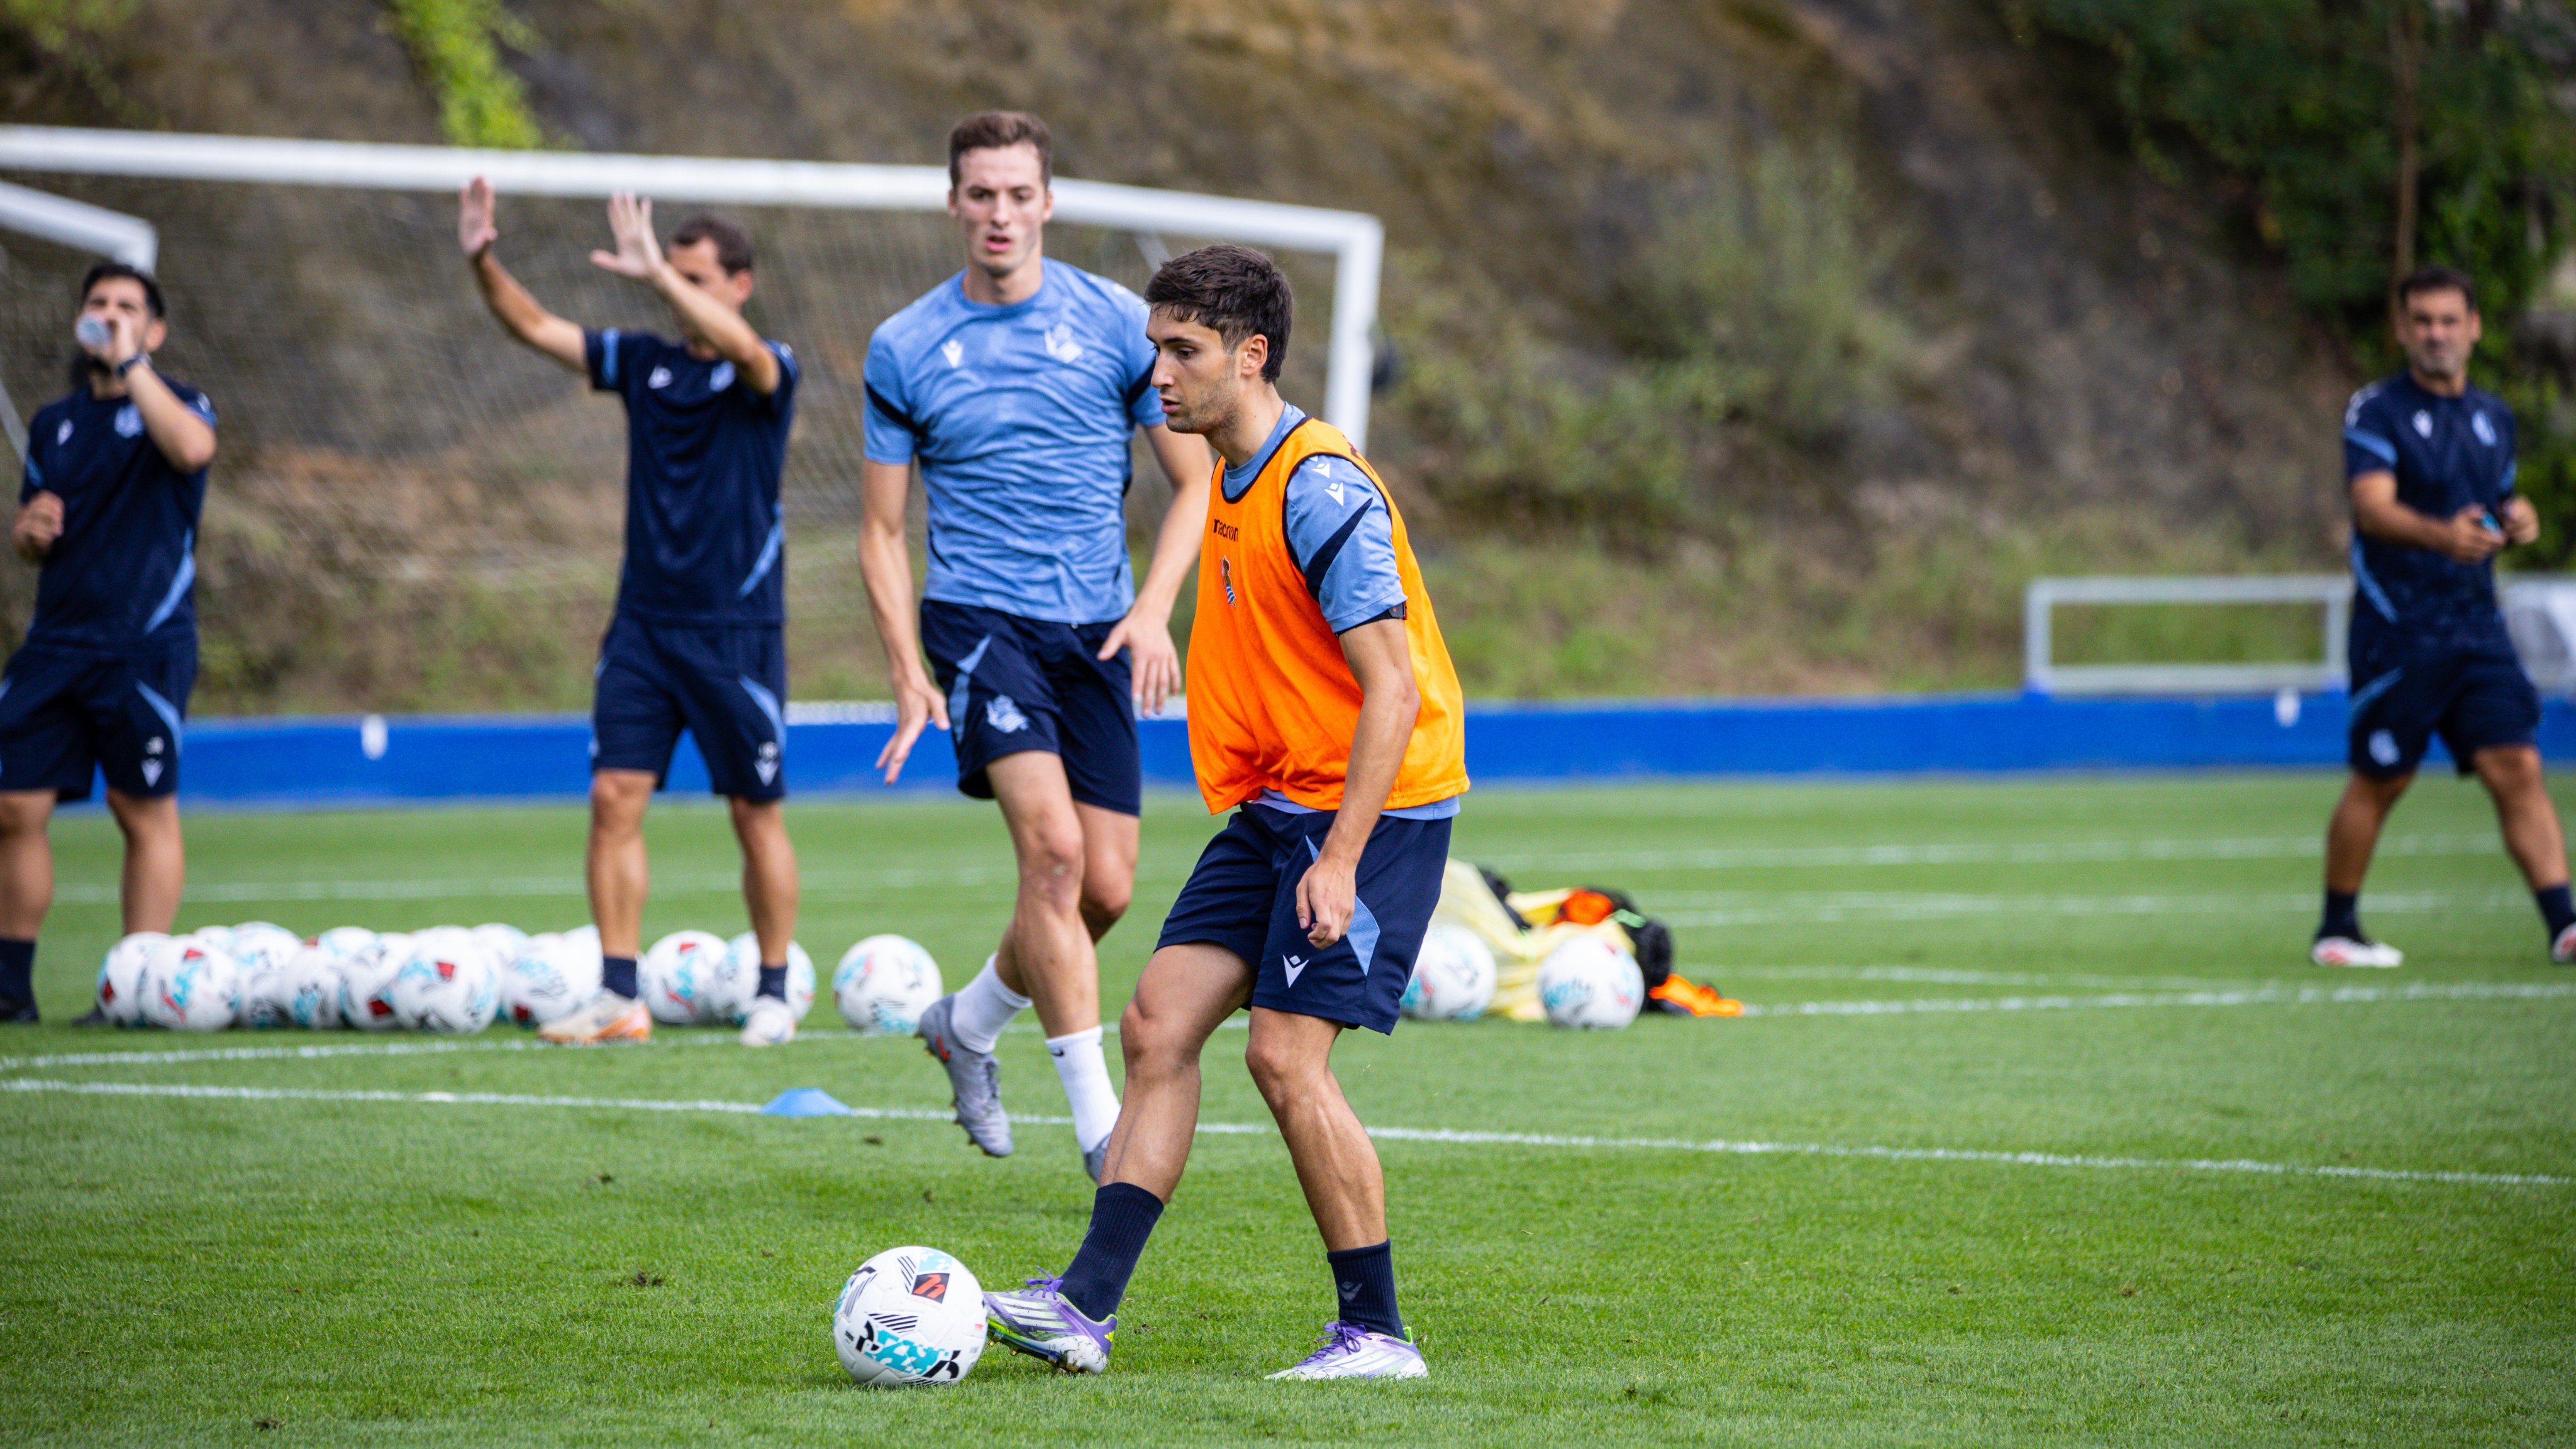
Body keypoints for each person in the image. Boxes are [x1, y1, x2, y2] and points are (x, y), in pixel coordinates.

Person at [982, 243, 1467, 1380]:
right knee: (1156, 1024)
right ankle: (1082, 1308)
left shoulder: (1320, 486)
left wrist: (1338, 859)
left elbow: (1394, 691)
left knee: (1285, 1057)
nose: (1159, 373)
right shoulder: (1227, 475)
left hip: (1373, 810)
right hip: (1279, 802)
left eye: (1183, 350)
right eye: (1155, 347)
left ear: (1251, 356)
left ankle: (1378, 1334)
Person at [858, 112, 1212, 1179]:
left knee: (1105, 888)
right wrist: (907, 669)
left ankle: (965, 1022)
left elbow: (1194, 482)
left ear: (1048, 202)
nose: (1000, 214)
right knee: (1053, 856)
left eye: (1019, 194)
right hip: (978, 623)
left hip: (1098, 628)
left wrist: (1153, 609)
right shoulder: (905, 345)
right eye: (981, 194)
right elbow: (879, 530)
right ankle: (1104, 1131)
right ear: (953, 203)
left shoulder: (1115, 325)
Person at [458, 180, 806, 1045]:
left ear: (740, 284)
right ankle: (619, 996)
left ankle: (772, 990)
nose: (674, 289)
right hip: (642, 629)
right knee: (614, 796)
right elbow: (535, 327)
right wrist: (482, 261)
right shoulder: (646, 362)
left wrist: (655, 273)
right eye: (669, 273)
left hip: (736, 633)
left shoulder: (767, 368)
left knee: (753, 811)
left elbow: (747, 352)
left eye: (694, 277)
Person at [2314, 265, 2573, 967]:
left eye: (2449, 320)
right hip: (2401, 628)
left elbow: (2497, 503)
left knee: (2517, 763)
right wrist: (2440, 536)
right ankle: (2337, 928)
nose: (2436, 334)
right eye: (2423, 321)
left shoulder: (2494, 417)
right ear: (2402, 329)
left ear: (2474, 328)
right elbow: (2372, 508)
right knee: (2384, 777)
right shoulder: (2376, 412)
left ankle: (2565, 925)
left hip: (2478, 627)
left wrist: (2517, 519)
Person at [0, 263, 216, 1024]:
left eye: (129, 306)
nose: (111, 312)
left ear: (154, 330)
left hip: (144, 646)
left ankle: (136, 990)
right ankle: (10, 989)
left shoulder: (181, 404)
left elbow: (191, 450)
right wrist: (29, 533)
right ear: (79, 318)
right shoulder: (54, 423)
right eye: (98, 302)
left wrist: (132, 366)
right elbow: (31, 534)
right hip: (55, 645)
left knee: (140, 808)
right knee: (12, 806)